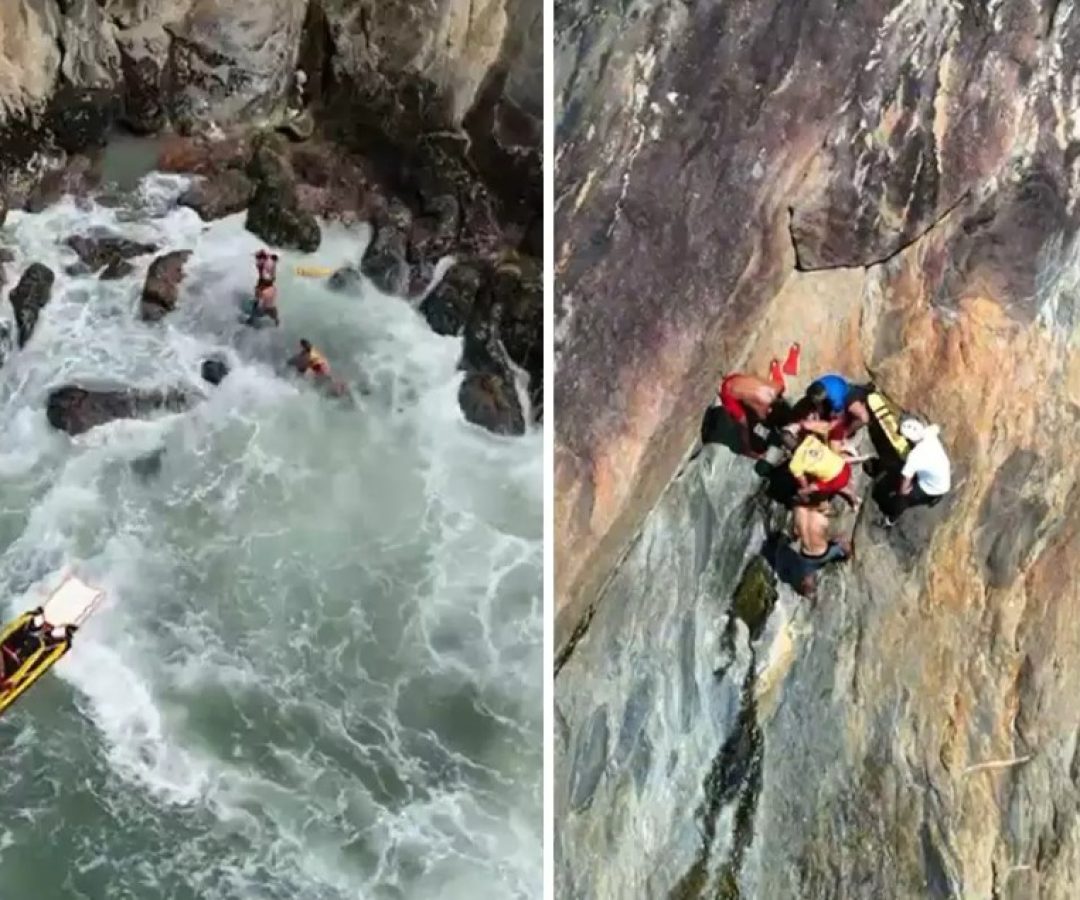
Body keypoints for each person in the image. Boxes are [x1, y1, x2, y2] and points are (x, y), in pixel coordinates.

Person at [717, 343, 801, 456]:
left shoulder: (778, 388)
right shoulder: (763, 406)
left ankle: (775, 368)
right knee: (744, 423)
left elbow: (779, 385)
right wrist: (748, 446)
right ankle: (747, 450)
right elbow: (747, 423)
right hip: (728, 392)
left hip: (736, 379)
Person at [880, 417, 951, 525]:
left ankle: (891, 519)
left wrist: (903, 491)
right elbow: (936, 427)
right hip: (943, 477)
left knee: (904, 498)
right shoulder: (929, 434)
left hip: (932, 486)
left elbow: (905, 479)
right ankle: (935, 498)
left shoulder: (915, 456)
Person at [791, 503, 852, 597]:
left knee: (807, 576)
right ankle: (848, 557)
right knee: (843, 540)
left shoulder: (798, 510)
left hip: (806, 557)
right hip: (824, 554)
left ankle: (808, 590)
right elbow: (826, 537)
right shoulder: (820, 516)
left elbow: (795, 535)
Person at [788, 433, 861, 509]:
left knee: (806, 490)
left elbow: (803, 482)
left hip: (837, 479)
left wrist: (804, 491)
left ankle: (855, 500)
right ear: (795, 437)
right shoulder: (810, 439)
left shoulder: (794, 464)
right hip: (844, 465)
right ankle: (854, 497)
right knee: (833, 478)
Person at [0, 609, 71, 684]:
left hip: (8, 650)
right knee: (31, 647)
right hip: (14, 662)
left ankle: (34, 624)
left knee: (16, 638)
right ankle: (52, 636)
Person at [806, 373, 871, 440]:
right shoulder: (817, 385)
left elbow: (840, 418)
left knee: (864, 418)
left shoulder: (836, 398)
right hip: (835, 392)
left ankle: (846, 433)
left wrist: (829, 427)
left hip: (848, 394)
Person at [249, 249, 280, 326]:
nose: (256, 260)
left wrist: (261, 287)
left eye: (258, 258)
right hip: (265, 284)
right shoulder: (267, 261)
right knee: (259, 301)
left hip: (266, 285)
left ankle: (275, 320)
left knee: (268, 307)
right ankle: (252, 317)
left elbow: (268, 278)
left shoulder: (266, 264)